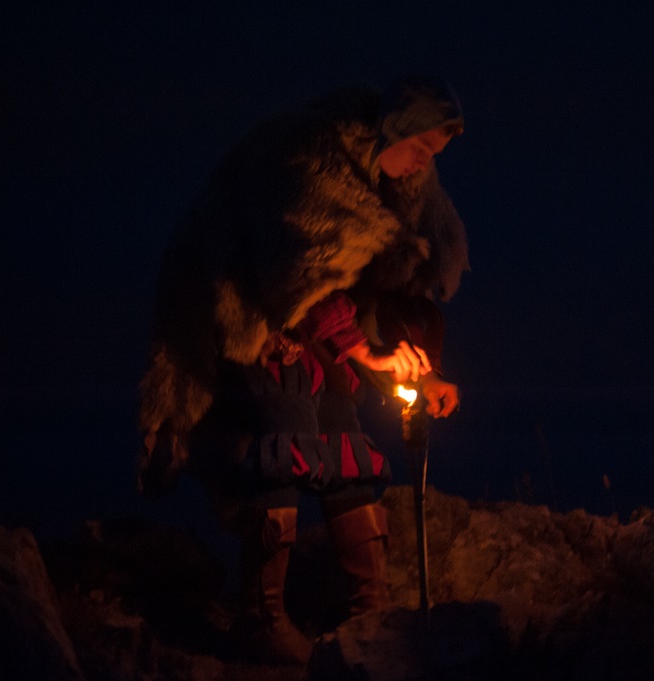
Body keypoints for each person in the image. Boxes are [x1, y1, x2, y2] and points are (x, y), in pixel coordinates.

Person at [138, 75, 466, 665]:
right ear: (395, 127)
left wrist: (423, 371)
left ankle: (371, 609)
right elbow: (302, 274)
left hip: (318, 334)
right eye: (421, 148)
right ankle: (261, 621)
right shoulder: (308, 161)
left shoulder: (401, 187)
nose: (424, 163)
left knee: (345, 441)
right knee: (285, 435)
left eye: (434, 156)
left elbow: (389, 284)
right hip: (250, 318)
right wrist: (366, 352)